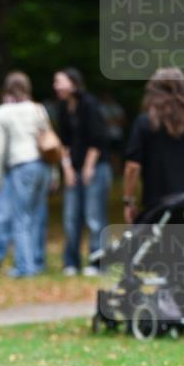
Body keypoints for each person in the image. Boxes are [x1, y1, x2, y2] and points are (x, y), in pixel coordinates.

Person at [0, 71, 53, 277]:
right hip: (42, 167)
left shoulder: (3, 112)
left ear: (7, 89)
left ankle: (24, 267)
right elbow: (50, 141)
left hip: (21, 166)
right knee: (37, 216)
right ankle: (37, 261)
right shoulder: (38, 109)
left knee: (20, 219)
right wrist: (55, 174)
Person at [122, 67, 184, 224]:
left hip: (159, 206)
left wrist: (128, 202)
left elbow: (133, 167)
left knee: (159, 247)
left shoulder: (145, 123)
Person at [53, 67, 111, 276]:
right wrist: (67, 169)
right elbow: (64, 142)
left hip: (96, 166)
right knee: (71, 216)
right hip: (74, 167)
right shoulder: (63, 107)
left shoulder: (89, 105)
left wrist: (88, 168)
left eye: (60, 81)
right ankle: (71, 261)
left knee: (94, 216)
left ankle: (97, 261)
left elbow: (98, 139)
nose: (56, 86)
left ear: (73, 83)